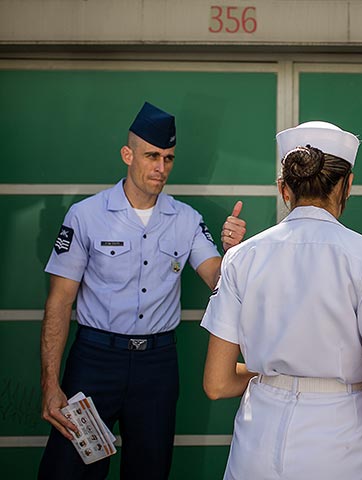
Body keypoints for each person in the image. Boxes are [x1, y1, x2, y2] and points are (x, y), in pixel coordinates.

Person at [38, 101, 246, 479]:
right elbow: (59, 301)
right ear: (127, 154)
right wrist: (50, 384)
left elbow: (217, 278)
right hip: (95, 362)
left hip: (157, 367)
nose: (161, 168)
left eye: (168, 158)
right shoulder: (85, 216)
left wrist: (232, 252)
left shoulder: (186, 219)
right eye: (152, 156)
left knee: (149, 472)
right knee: (67, 472)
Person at [200, 121, 362, 479]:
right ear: (347, 184)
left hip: (256, 446)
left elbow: (217, 383)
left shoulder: (241, 257)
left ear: (284, 189)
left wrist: (277, 371)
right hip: (342, 449)